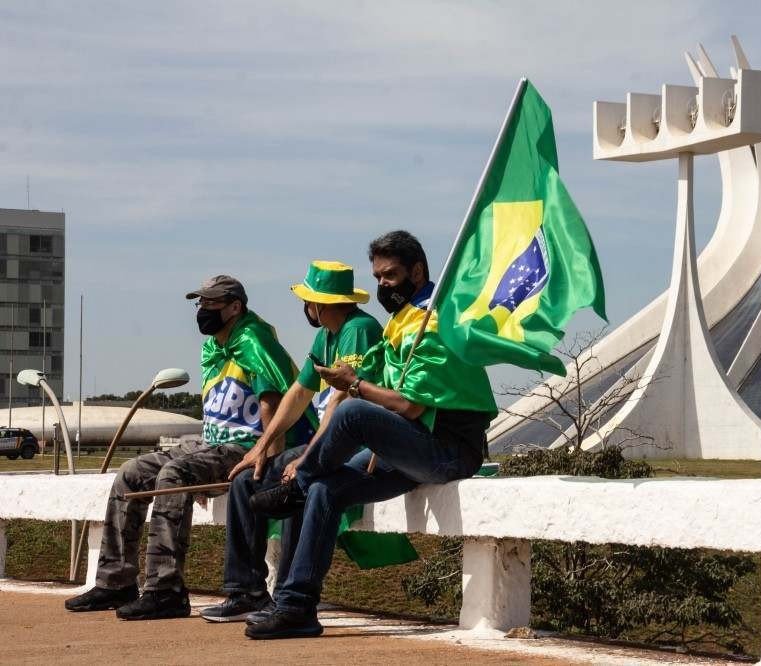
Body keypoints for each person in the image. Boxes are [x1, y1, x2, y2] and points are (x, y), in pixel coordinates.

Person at [245, 230, 497, 640]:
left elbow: (409, 406)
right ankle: (295, 607)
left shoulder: (435, 320)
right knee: (326, 489)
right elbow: (359, 386)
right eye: (378, 276)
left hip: (447, 450)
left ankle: (296, 487)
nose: (383, 284)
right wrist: (354, 385)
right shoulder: (402, 320)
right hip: (410, 449)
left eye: (390, 275)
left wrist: (355, 385)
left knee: (353, 413)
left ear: (418, 272)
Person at [65, 276, 305, 620]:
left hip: (245, 446)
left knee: (174, 473)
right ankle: (115, 580)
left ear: (235, 307)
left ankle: (166, 590)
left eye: (211, 303)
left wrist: (269, 456)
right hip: (212, 443)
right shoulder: (214, 347)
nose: (202, 310)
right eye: (200, 303)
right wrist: (201, 461)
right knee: (131, 473)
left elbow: (272, 400)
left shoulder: (254, 341)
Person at [200, 261, 383, 622]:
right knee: (245, 479)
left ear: (320, 304)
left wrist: (309, 456)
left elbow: (341, 401)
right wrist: (260, 448)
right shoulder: (326, 335)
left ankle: (286, 594)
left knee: (297, 482)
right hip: (329, 442)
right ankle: (245, 590)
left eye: (307, 301)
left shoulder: (358, 330)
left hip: (355, 444)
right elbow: (298, 393)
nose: (305, 308)